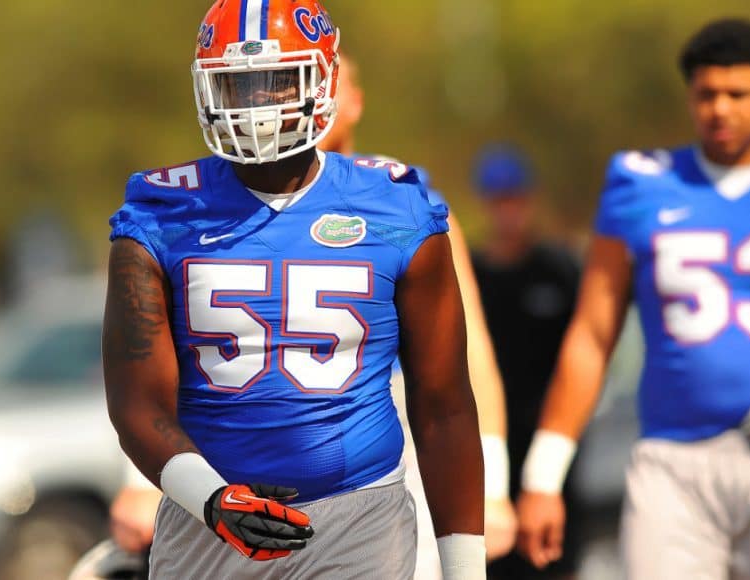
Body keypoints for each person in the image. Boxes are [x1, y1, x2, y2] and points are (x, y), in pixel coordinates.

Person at [102, 1, 485, 579]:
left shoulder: (396, 209)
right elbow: (137, 403)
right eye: (238, 86)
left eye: (278, 82)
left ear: (325, 79)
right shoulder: (161, 214)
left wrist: (466, 571)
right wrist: (211, 498)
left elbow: (444, 406)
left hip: (361, 515)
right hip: (207, 517)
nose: (257, 103)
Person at [516, 18, 750, 580]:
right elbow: (593, 335)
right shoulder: (640, 181)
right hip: (674, 460)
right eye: (707, 94)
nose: (720, 109)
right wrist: (543, 477)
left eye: (737, 94)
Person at [467, 145, 581, 580]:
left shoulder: (558, 269)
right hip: (488, 441)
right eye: (498, 200)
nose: (507, 211)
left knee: (551, 556)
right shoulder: (474, 274)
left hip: (546, 439)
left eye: (514, 198)